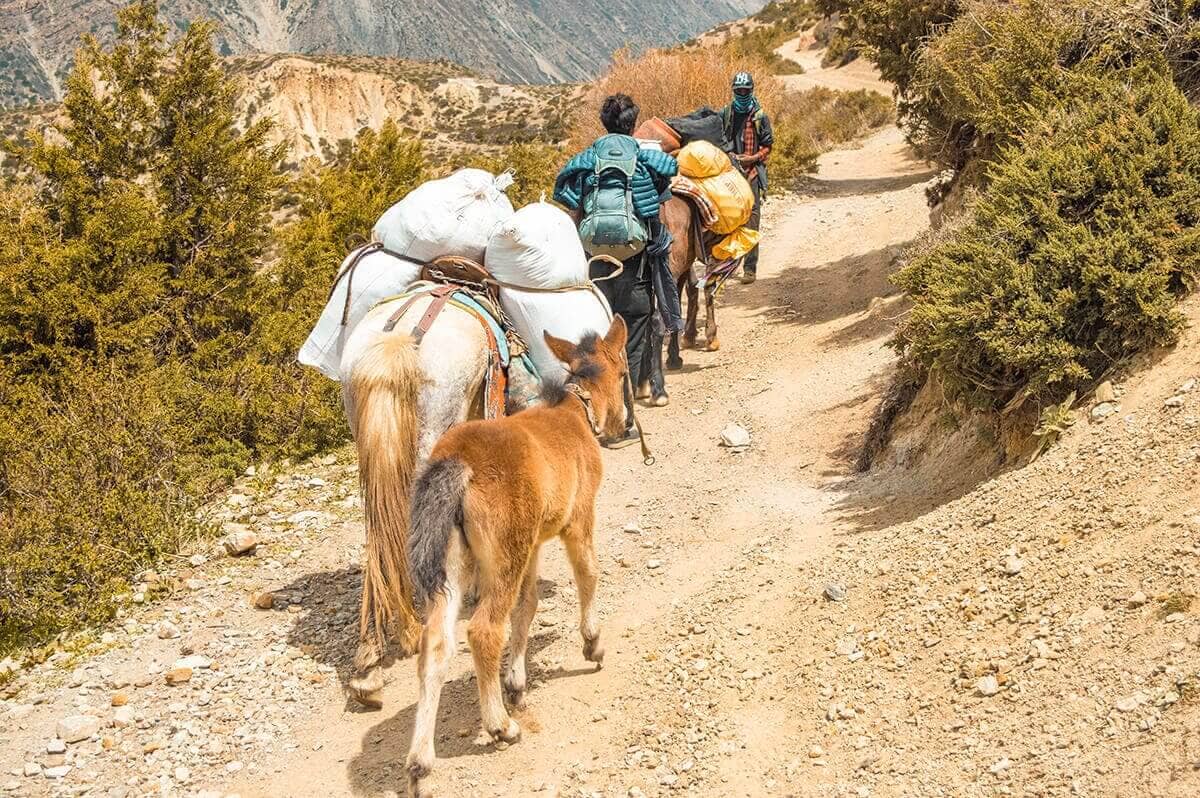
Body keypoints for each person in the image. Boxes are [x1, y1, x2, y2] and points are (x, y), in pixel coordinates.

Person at [553, 93, 678, 448]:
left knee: (594, 336)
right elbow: (668, 181)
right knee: (632, 334)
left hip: (594, 261)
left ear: (604, 123)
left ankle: (587, 414)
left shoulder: (588, 157)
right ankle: (622, 421)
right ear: (633, 123)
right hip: (635, 261)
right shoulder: (644, 155)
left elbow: (566, 196)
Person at [721, 71, 773, 284]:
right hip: (731, 174)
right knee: (729, 222)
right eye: (738, 90)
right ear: (734, 91)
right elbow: (722, 140)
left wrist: (752, 158)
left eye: (745, 90)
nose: (742, 94)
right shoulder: (727, 113)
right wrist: (732, 156)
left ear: (751, 90)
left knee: (752, 222)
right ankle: (730, 265)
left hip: (751, 175)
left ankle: (750, 269)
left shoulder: (760, 116)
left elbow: (768, 146)